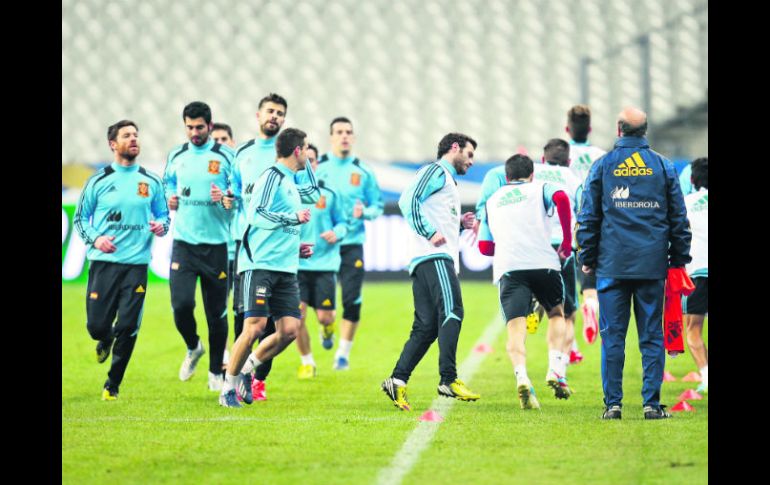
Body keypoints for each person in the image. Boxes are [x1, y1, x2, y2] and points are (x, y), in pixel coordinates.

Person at [576, 107, 691, 420]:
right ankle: (651, 405)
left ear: (619, 129)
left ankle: (613, 405)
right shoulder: (663, 166)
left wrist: (587, 257)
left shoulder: (602, 166)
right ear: (645, 131)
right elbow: (678, 217)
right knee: (651, 337)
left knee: (612, 337)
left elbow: (588, 217)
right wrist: (679, 259)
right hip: (651, 264)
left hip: (612, 264)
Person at [220, 128, 320, 407]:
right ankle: (227, 388)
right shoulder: (271, 176)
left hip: (286, 266)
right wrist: (292, 218)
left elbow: (313, 193)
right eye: (306, 149)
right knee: (254, 327)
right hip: (260, 264)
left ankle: (247, 369)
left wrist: (295, 245)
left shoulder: (291, 180)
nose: (309, 155)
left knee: (289, 330)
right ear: (297, 150)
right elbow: (256, 213)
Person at [381, 133, 480, 411]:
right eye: (469, 155)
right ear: (454, 147)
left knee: (426, 328)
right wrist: (430, 231)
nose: (471, 162)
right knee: (452, 312)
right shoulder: (436, 171)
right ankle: (448, 379)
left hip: (425, 258)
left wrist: (458, 223)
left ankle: (397, 381)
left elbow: (430, 210)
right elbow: (407, 199)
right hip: (434, 257)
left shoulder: (447, 181)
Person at [74, 120, 170, 400]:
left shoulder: (151, 181)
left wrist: (161, 226)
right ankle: (105, 338)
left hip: (137, 266)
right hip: (104, 265)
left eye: (136, 135)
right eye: (127, 135)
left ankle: (112, 385)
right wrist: (96, 239)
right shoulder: (98, 181)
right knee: (96, 327)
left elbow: (164, 216)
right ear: (113, 144)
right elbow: (80, 219)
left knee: (128, 326)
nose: (134, 139)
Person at [479, 154, 574, 408]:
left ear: (506, 177)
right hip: (543, 263)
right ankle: (555, 368)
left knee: (515, 327)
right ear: (532, 174)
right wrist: (566, 242)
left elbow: (485, 247)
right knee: (556, 313)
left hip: (510, 267)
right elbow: (563, 199)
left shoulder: (492, 200)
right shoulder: (539, 188)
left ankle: (522, 377)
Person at [213, 94, 288, 401]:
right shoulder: (241, 152)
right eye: (270, 111)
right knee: (247, 320)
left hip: (282, 251)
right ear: (258, 116)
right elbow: (232, 194)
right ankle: (236, 379)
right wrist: (228, 199)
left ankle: (256, 377)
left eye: (280, 113)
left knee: (277, 325)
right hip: (250, 250)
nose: (275, 116)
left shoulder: (288, 154)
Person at [163, 101, 235, 392]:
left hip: (217, 245)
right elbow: (167, 183)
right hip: (184, 244)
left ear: (209, 125)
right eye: (189, 127)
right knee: (181, 305)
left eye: (199, 127)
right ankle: (193, 346)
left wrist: (228, 197)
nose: (194, 132)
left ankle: (215, 371)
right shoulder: (177, 155)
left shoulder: (226, 157)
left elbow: (238, 193)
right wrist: (170, 198)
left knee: (216, 313)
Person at [316, 117, 384, 371]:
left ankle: (342, 354)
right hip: (324, 244)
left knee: (352, 300)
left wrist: (363, 212)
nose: (344, 136)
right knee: (324, 310)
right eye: (339, 132)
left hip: (352, 242)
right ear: (331, 136)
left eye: (348, 132)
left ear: (353, 137)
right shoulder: (318, 167)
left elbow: (377, 206)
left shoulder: (363, 171)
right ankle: (326, 326)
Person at [294, 143, 349, 378]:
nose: (309, 164)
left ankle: (327, 329)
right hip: (296, 266)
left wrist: (337, 233)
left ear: (317, 164)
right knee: (296, 319)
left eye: (313, 160)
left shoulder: (330, 194)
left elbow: (344, 223)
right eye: (305, 159)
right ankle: (307, 362)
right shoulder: (290, 191)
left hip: (325, 265)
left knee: (325, 316)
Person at [533, 139, 585, 370]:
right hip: (563, 248)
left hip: (534, 246)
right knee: (567, 311)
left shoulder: (532, 173)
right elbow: (584, 212)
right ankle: (560, 366)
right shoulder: (574, 179)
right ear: (569, 161)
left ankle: (533, 304)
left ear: (543, 159)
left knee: (546, 299)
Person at [565, 104, 607, 346]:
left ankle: (569, 346)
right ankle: (592, 304)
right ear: (589, 128)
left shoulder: (560, 152)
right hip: (595, 222)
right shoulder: (601, 155)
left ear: (567, 128)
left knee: (566, 282)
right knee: (591, 274)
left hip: (567, 224)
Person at [211, 122, 237, 372]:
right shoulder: (208, 178)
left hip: (241, 250)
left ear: (232, 141)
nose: (219, 142)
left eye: (224, 138)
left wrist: (230, 200)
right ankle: (225, 355)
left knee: (242, 310)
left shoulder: (242, 171)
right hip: (217, 250)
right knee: (219, 308)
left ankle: (242, 361)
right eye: (215, 138)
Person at [682, 157, 708, 393]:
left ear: (692, 179)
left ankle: (706, 377)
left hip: (699, 270)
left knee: (692, 329)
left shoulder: (688, 202)